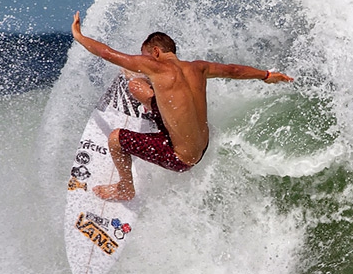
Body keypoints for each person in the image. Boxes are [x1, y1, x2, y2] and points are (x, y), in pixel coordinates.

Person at [71, 11, 293, 201]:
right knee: (137, 85)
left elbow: (105, 53)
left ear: (155, 52)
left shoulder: (155, 67)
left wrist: (79, 36)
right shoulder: (199, 67)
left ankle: (125, 188)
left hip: (181, 158)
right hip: (202, 146)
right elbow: (233, 70)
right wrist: (266, 75)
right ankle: (150, 107)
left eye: (145, 56)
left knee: (116, 138)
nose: (143, 61)